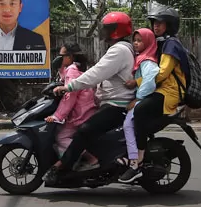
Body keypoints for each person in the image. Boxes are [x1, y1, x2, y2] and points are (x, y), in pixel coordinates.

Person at [44, 12, 136, 184]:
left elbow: (97, 73)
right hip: (112, 102)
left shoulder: (119, 50)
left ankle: (61, 166)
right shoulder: (121, 49)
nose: (104, 32)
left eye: (107, 29)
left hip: (116, 104)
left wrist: (69, 87)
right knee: (89, 130)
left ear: (116, 30)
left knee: (85, 130)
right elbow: (99, 71)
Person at [125, 7, 189, 183]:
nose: (156, 26)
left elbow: (160, 73)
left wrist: (138, 88)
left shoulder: (171, 45)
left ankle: (137, 162)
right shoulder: (162, 43)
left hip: (169, 93)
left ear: (169, 25)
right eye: (154, 23)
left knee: (139, 111)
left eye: (160, 23)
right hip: (160, 90)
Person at [45, 43, 98, 168]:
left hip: (80, 112)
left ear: (70, 57)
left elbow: (69, 97)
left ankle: (88, 158)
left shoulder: (72, 70)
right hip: (86, 108)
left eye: (62, 56)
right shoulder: (77, 68)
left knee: (60, 136)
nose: (60, 58)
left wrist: (57, 116)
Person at [116, 28, 160, 178]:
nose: (135, 43)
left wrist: (137, 99)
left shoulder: (147, 61)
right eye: (134, 40)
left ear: (147, 42)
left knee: (128, 125)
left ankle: (135, 162)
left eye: (140, 40)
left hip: (143, 99)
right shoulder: (140, 58)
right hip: (140, 98)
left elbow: (150, 80)